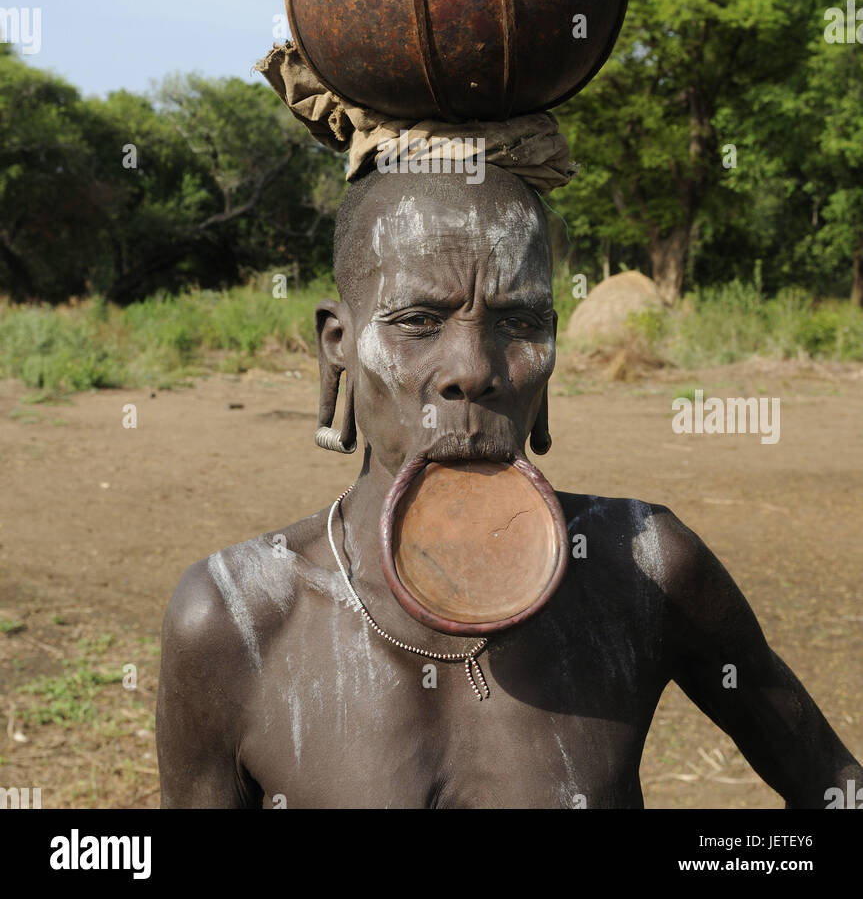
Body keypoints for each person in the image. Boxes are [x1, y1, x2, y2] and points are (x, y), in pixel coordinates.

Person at [156, 165, 862, 808]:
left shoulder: (641, 570)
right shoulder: (234, 619)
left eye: (518, 322)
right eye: (419, 322)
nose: (472, 366)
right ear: (336, 344)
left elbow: (833, 787)